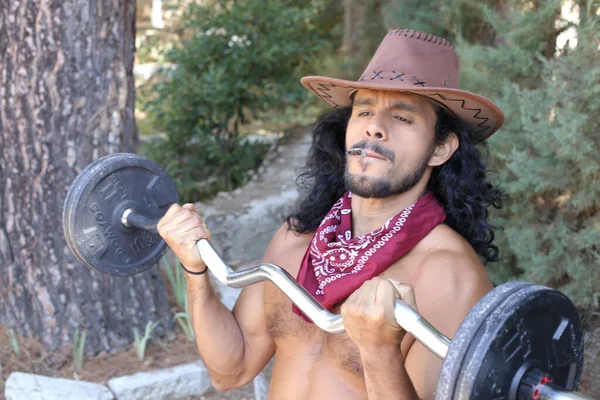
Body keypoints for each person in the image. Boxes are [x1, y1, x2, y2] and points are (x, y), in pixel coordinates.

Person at [157, 29, 506, 400]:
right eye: (365, 111)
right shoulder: (296, 240)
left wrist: (379, 351)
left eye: (402, 118)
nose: (375, 127)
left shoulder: (448, 275)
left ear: (440, 148)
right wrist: (195, 271)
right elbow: (232, 369)